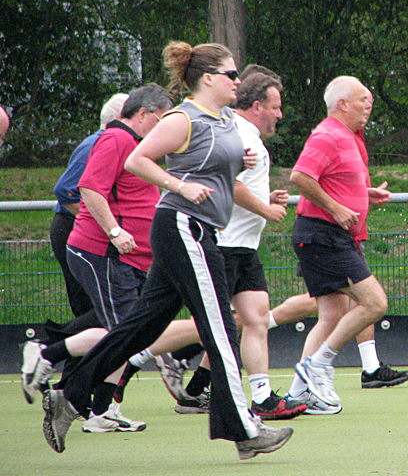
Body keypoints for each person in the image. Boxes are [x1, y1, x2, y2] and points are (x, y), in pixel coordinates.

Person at [40, 41, 292, 460]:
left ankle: (68, 394)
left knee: (142, 327)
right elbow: (138, 160)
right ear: (208, 78)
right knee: (221, 328)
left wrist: (239, 165)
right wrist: (179, 186)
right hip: (181, 227)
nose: (238, 81)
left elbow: (215, 168)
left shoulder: (227, 118)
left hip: (198, 230)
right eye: (231, 74)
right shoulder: (183, 118)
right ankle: (244, 430)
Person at [22, 84, 172, 434]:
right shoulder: (116, 139)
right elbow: (88, 187)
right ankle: (62, 371)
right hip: (102, 253)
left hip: (124, 257)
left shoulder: (135, 144)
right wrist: (115, 232)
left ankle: (53, 360)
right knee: (124, 334)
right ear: (145, 115)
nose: (166, 128)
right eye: (163, 119)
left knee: (122, 332)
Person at [283, 76, 392, 414]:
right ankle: (319, 364)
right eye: (363, 100)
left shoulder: (346, 137)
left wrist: (363, 196)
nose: (368, 106)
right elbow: (300, 177)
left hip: (326, 234)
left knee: (331, 316)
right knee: (374, 303)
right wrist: (335, 207)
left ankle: (299, 395)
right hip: (322, 234)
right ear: (342, 104)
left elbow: (333, 181)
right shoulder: (329, 134)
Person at [213, 64, 306, 420]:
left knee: (255, 318)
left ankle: (263, 398)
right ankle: (134, 361)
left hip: (243, 247)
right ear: (256, 106)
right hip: (222, 244)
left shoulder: (246, 135)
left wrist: (268, 199)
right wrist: (267, 209)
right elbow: (230, 186)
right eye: (276, 107)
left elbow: (243, 185)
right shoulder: (239, 133)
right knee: (202, 325)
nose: (280, 115)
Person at [50, 93, 128, 317]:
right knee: (92, 303)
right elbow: (65, 190)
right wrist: (102, 223)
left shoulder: (110, 143)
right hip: (71, 227)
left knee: (102, 302)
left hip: (85, 229)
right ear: (120, 118)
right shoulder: (95, 145)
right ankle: (57, 348)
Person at [269, 292, 408, 390]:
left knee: (362, 297)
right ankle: (262, 322)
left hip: (344, 247)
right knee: (326, 301)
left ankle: (371, 369)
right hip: (326, 249)